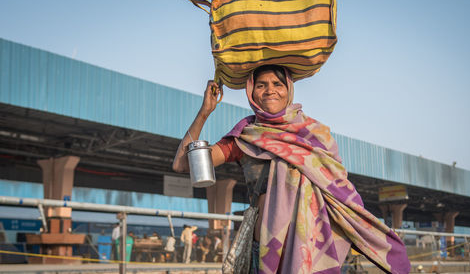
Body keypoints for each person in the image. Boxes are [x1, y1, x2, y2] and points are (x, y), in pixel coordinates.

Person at [173, 65, 410, 273]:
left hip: (310, 246)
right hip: (265, 247)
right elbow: (182, 164)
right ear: (251, 91)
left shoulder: (315, 134)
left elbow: (341, 195)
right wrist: (204, 112)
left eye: (277, 84)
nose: (270, 90)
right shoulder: (245, 136)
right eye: (261, 85)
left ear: (288, 89)